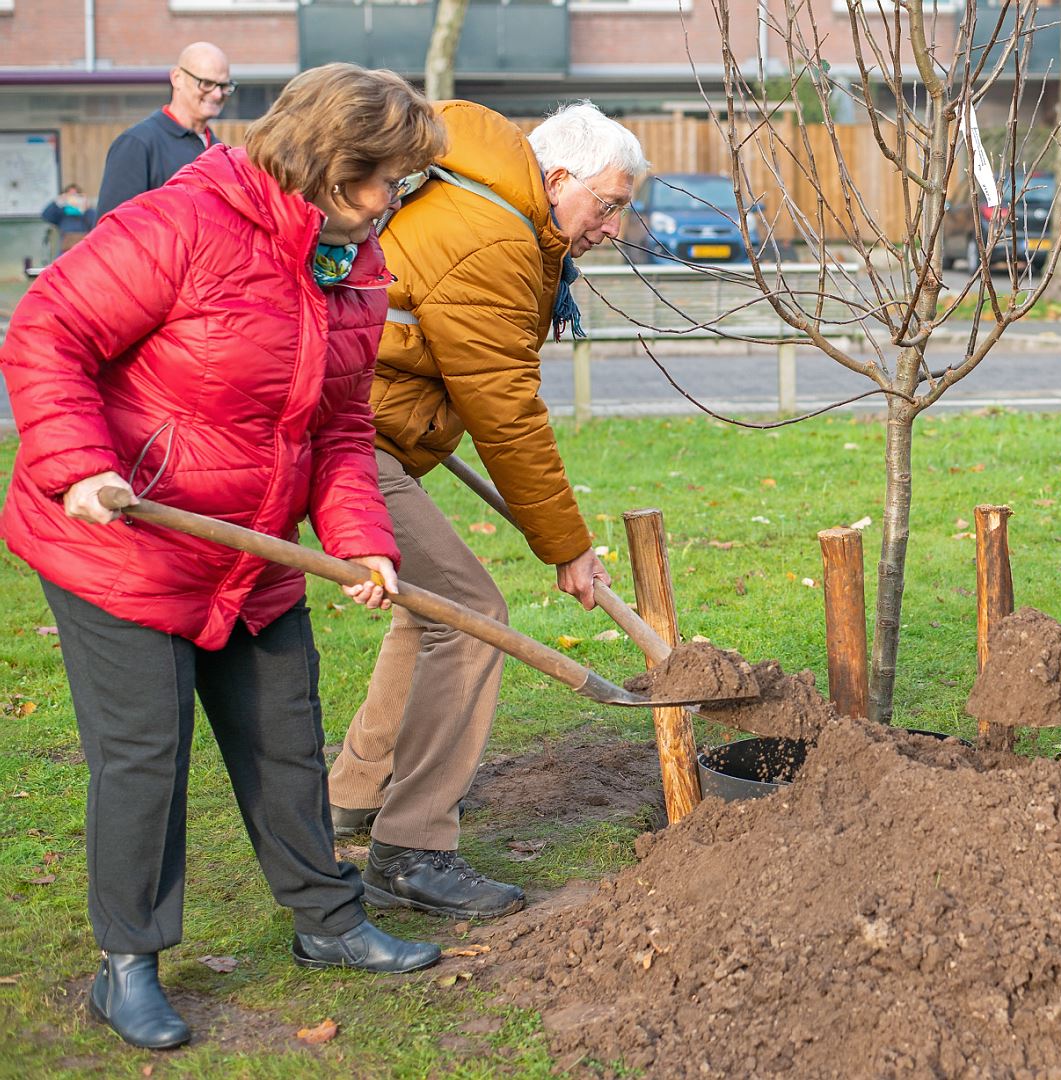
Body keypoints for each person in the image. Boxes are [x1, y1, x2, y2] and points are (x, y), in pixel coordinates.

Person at [0, 63, 449, 1051]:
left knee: (285, 736)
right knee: (144, 757)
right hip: (122, 540)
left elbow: (337, 427)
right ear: (333, 164)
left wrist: (363, 543)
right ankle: (128, 968)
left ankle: (328, 923)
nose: (394, 203)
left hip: (248, 554)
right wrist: (78, 464)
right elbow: (46, 332)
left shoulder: (353, 263)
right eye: (386, 180)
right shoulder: (184, 223)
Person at [325, 100, 648, 919]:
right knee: (471, 613)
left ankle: (352, 794)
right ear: (558, 178)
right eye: (608, 203)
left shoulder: (496, 208)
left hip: (366, 425)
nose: (612, 226)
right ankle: (414, 846)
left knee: (428, 607)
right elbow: (505, 409)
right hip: (344, 436)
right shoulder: (494, 237)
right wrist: (567, 548)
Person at [96, 42, 232, 218]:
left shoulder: (219, 151)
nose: (217, 94)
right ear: (177, 78)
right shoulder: (137, 144)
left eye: (223, 86)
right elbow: (112, 232)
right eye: (206, 83)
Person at [41, 183, 96, 251]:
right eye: (70, 196)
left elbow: (95, 222)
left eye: (76, 195)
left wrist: (88, 207)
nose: (73, 199)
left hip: (84, 248)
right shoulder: (62, 212)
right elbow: (46, 216)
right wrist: (56, 202)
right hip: (65, 248)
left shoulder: (86, 211)